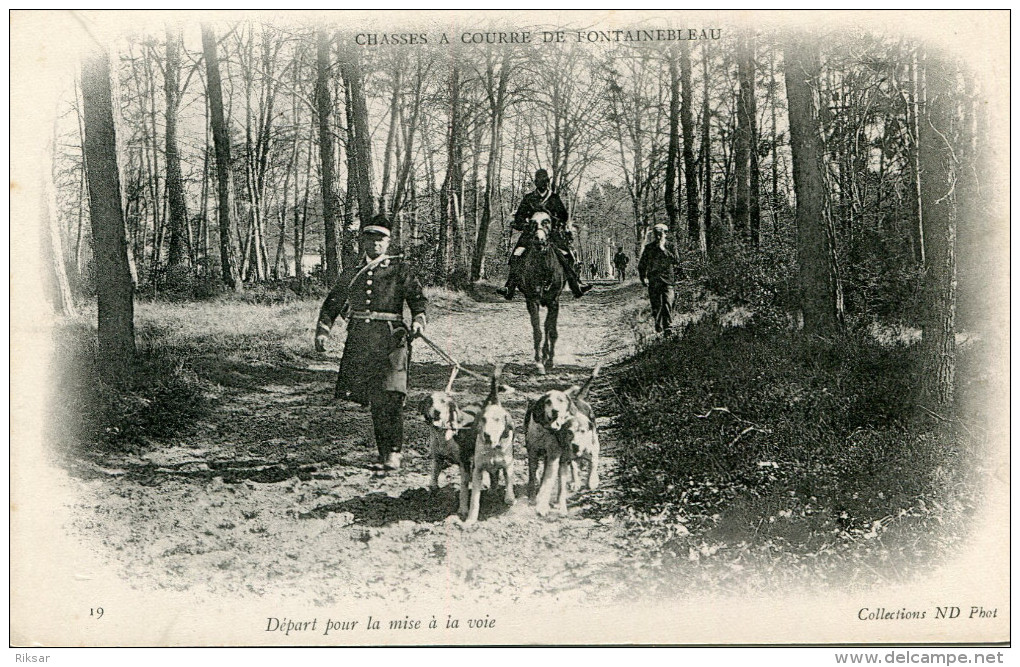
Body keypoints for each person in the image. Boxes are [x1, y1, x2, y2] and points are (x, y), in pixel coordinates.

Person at [315, 214, 427, 471]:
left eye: (381, 239)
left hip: (393, 338)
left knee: (393, 395)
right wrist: (323, 330)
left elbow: (418, 299)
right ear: (363, 241)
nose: (376, 243)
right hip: (362, 341)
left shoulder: (400, 269)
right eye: (371, 238)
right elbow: (333, 303)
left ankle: (395, 451)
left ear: (389, 242)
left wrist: (419, 320)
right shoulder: (352, 272)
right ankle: (384, 452)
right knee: (377, 398)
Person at [498, 169, 593, 300]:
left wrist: (555, 222)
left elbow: (563, 216)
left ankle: (576, 284)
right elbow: (519, 216)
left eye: (545, 182)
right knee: (516, 255)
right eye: (540, 182)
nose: (543, 184)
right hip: (531, 233)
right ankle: (510, 286)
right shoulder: (528, 198)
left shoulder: (554, 198)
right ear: (536, 183)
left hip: (551, 233)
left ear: (548, 182)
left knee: (568, 255)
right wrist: (524, 224)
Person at [638, 223, 682, 334]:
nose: (658, 237)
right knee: (656, 306)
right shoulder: (649, 248)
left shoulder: (671, 246)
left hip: (668, 280)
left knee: (668, 302)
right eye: (656, 234)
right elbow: (642, 264)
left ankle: (668, 327)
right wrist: (643, 277)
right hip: (654, 280)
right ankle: (658, 327)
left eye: (660, 234)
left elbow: (676, 260)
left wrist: (663, 250)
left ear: (665, 234)